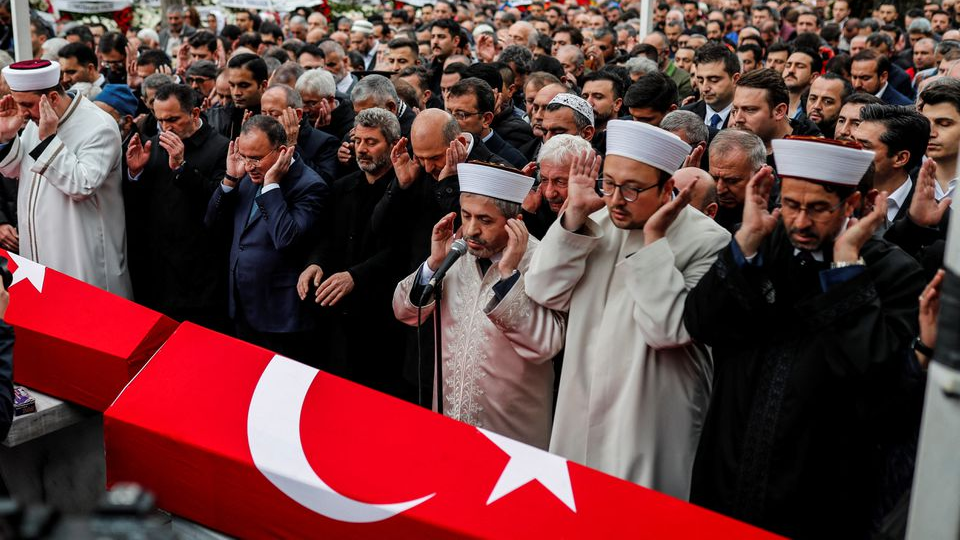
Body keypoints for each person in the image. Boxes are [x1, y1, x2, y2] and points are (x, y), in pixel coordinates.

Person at [684, 137, 926, 538]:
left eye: (817, 209)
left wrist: (847, 266)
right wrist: (746, 241)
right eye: (792, 205)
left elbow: (879, 378)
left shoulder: (895, 273)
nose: (799, 222)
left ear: (856, 205)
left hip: (821, 489)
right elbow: (701, 323)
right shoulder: (765, 244)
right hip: (728, 468)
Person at [525, 120, 731, 499]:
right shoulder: (594, 219)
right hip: (580, 403)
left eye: (633, 189)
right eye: (610, 183)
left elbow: (667, 330)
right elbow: (542, 290)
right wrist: (572, 219)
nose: (617, 199)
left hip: (648, 417)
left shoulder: (710, 240)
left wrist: (654, 243)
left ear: (669, 188)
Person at [393, 162, 566, 449]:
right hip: (448, 416)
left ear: (515, 222)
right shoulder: (455, 252)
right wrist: (434, 263)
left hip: (511, 431)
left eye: (485, 220)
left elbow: (546, 344)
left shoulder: (542, 259)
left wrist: (509, 274)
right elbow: (405, 312)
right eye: (466, 215)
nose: (471, 230)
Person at [298, 108, 412, 399]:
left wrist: (355, 276)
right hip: (339, 318)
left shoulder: (407, 190)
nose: (361, 149)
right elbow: (326, 237)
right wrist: (316, 263)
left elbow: (401, 249)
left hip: (383, 319)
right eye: (358, 141)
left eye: (371, 142)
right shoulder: (342, 187)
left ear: (394, 144)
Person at [0, 60, 131, 298]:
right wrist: (7, 137)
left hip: (81, 255)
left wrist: (49, 140)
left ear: (52, 98)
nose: (22, 113)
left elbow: (82, 185)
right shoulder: (37, 119)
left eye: (26, 105)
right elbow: (14, 171)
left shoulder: (99, 126)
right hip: (37, 251)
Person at [204, 115, 328, 364]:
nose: (249, 166)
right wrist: (229, 179)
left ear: (282, 151)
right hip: (241, 306)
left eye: (256, 158)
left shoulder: (309, 185)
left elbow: (286, 239)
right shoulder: (246, 177)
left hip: (280, 316)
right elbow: (212, 224)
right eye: (245, 156)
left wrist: (272, 186)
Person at [125, 83, 230, 330]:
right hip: (157, 268)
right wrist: (134, 173)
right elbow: (137, 205)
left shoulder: (221, 148)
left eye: (173, 119)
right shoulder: (152, 145)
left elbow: (219, 201)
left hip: (200, 270)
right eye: (160, 120)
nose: (166, 127)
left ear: (195, 114)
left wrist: (182, 167)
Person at [260, 84, 338, 182]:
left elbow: (323, 181)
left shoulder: (326, 143)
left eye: (274, 114)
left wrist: (292, 146)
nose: (266, 121)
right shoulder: (261, 139)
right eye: (263, 113)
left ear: (298, 115)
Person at [523, 133, 593, 239]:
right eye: (544, 180)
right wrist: (527, 214)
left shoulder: (603, 214)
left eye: (560, 182)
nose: (549, 193)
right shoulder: (531, 203)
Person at [207, 53, 267, 140]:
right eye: (232, 85)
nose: (236, 92)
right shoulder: (217, 117)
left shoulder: (276, 117)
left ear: (263, 86)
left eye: (244, 85)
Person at [682, 42, 741, 129]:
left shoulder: (745, 120)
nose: (704, 88)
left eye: (714, 80)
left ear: (735, 79)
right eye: (700, 80)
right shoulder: (684, 116)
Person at [806, 72, 853, 137]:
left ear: (844, 106)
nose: (816, 106)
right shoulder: (792, 131)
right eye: (813, 99)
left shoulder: (849, 140)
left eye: (827, 101)